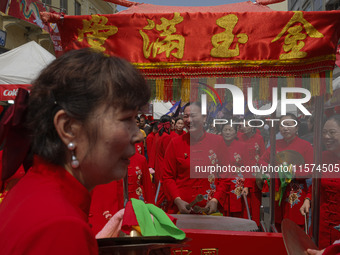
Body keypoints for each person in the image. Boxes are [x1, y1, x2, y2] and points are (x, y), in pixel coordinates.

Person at [0, 48, 150, 255]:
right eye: (126, 119)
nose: (138, 135)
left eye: (136, 119)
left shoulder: (35, 190)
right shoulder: (61, 226)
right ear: (68, 128)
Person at [162, 103, 228, 214]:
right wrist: (177, 200)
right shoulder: (175, 143)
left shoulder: (218, 142)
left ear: (204, 117)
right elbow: (168, 177)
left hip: (210, 210)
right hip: (181, 209)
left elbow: (225, 176)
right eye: (186, 116)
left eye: (193, 116)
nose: (189, 120)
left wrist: (216, 199)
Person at [259, 113, 313, 231]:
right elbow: (262, 161)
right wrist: (273, 170)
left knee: (295, 227)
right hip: (278, 191)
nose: (285, 128)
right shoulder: (275, 144)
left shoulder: (306, 146)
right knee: (277, 224)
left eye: (289, 124)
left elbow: (311, 169)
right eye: (282, 125)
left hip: (296, 190)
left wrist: (293, 171)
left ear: (297, 127)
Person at [300, 115, 340, 250]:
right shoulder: (322, 157)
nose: (327, 137)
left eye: (332, 132)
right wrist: (307, 199)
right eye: (324, 132)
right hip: (321, 223)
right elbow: (315, 183)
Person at [220, 122, 252, 220]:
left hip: (237, 184)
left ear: (235, 132)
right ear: (221, 132)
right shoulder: (217, 146)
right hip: (221, 184)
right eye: (225, 130)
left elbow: (248, 166)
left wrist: (246, 186)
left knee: (238, 214)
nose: (228, 132)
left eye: (230, 130)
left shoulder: (243, 146)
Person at [238, 117, 266, 226]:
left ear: (252, 126)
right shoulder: (238, 137)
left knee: (255, 200)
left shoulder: (259, 138)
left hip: (255, 172)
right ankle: (244, 225)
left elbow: (263, 155)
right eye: (242, 125)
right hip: (242, 171)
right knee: (243, 201)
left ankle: (256, 225)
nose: (244, 127)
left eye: (247, 125)